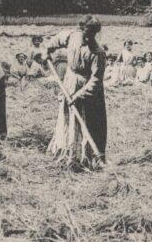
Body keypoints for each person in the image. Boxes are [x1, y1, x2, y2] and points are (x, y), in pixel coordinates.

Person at [43, 15, 108, 165]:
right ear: (81, 29)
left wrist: (80, 94)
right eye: (86, 34)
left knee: (88, 121)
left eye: (92, 35)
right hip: (70, 81)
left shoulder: (98, 53)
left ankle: (86, 157)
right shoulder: (71, 36)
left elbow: (96, 80)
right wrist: (47, 49)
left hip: (88, 90)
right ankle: (66, 150)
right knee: (67, 116)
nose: (88, 39)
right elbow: (55, 41)